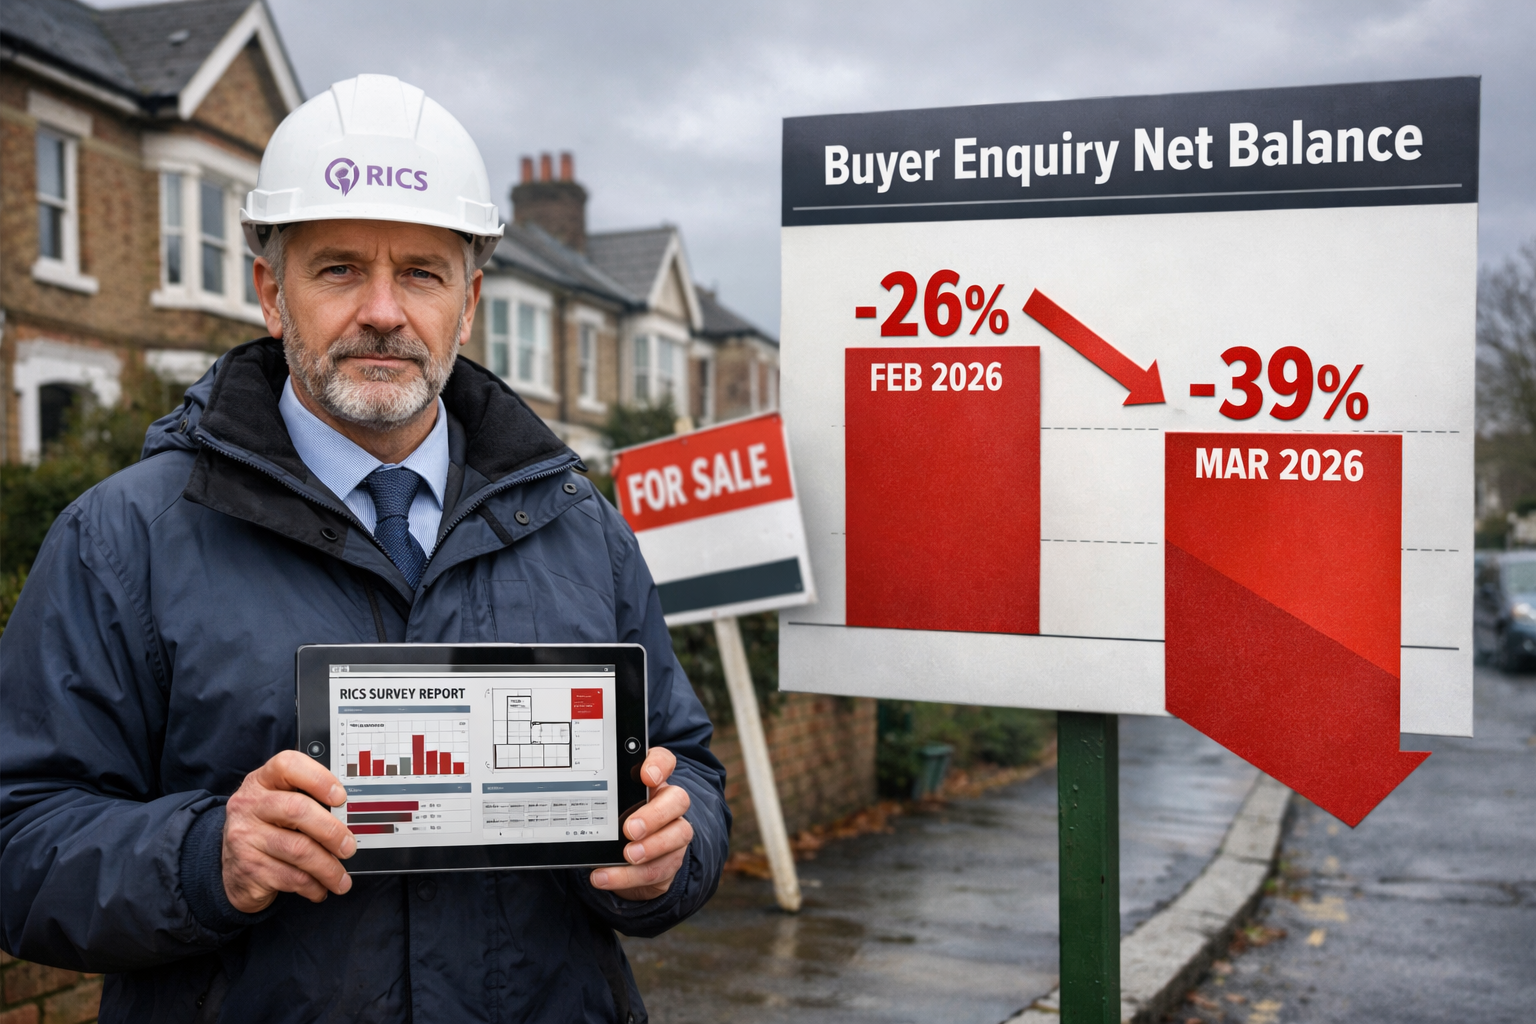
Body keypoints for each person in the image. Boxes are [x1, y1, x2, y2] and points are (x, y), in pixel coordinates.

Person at [0, 74, 728, 1023]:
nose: (383, 311)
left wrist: (675, 851)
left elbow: (688, 769)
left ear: (467, 307)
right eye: (338, 269)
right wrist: (206, 854)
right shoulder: (120, 540)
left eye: (422, 273)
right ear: (272, 292)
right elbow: (20, 841)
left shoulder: (579, 527)